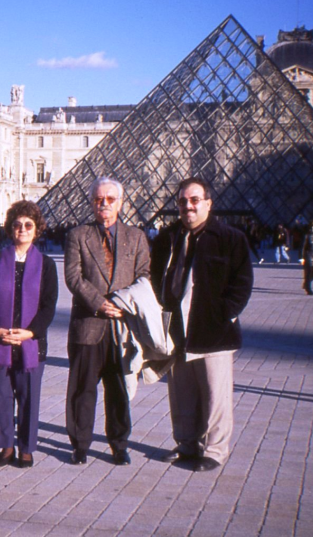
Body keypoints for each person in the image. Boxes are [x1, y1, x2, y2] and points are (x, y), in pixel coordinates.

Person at [150, 177, 253, 472]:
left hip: (214, 332)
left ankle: (214, 451)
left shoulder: (231, 238)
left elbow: (243, 283)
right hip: (177, 329)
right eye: (182, 201)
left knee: (215, 396)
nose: (187, 206)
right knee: (181, 394)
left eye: (194, 200)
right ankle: (186, 445)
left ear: (209, 203)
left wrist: (225, 315)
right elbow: (156, 279)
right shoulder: (167, 238)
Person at [64, 176, 150, 466]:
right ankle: (80, 445)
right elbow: (73, 277)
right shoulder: (78, 235)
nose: (104, 204)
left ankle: (119, 444)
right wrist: (100, 303)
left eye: (110, 199)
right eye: (99, 199)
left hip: (121, 327)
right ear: (91, 202)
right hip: (88, 323)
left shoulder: (136, 236)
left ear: (121, 203)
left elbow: (144, 276)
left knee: (119, 391)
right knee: (82, 390)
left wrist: (119, 304)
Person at [0, 201, 58, 468]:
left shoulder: (46, 264)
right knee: (0, 395)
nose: (22, 229)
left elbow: (49, 304)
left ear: (37, 229)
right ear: (10, 229)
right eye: (17, 224)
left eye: (28, 225)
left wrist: (30, 332)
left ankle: (26, 448)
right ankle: (6, 446)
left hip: (31, 341)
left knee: (29, 396)